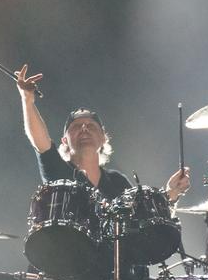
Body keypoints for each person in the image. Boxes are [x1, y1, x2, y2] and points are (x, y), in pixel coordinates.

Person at [15, 64, 190, 201]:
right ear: (64, 141)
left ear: (103, 138)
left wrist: (171, 193)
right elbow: (40, 140)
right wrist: (27, 101)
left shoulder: (117, 182)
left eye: (91, 126)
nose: (84, 128)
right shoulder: (58, 171)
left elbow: (142, 219)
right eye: (76, 127)